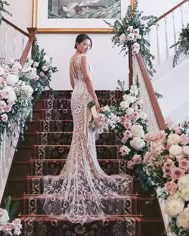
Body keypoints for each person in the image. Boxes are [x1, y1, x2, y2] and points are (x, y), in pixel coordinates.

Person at [42, 34, 132, 225]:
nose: (87, 47)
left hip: (76, 95)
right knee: (84, 132)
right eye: (84, 44)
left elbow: (72, 82)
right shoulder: (82, 58)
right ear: (77, 43)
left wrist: (82, 94)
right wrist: (96, 101)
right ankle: (86, 167)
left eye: (89, 45)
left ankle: (84, 166)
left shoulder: (71, 58)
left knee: (81, 131)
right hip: (85, 96)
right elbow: (88, 80)